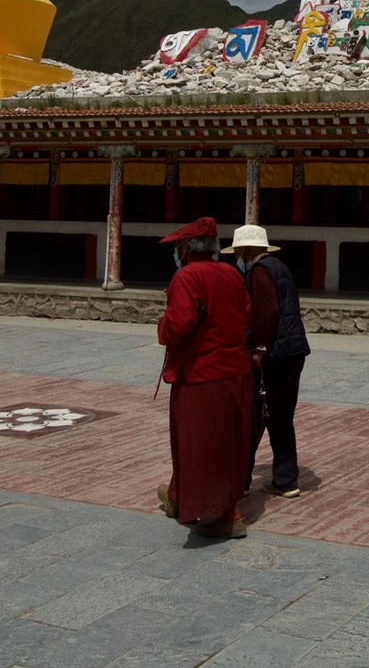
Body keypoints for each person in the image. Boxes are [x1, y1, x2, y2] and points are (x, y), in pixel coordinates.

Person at [155, 217, 254, 538]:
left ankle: (223, 514)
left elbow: (179, 324)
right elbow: (247, 316)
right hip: (235, 372)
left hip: (202, 374)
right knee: (225, 442)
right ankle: (178, 495)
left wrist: (162, 326)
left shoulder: (187, 276)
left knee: (202, 445)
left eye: (178, 247)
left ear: (186, 248)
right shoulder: (232, 274)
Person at [226, 223, 310, 498]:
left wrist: (258, 350)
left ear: (247, 250)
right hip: (293, 350)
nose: (237, 257)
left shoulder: (260, 271)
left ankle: (240, 481)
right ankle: (286, 480)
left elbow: (267, 312)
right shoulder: (279, 267)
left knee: (254, 416)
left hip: (275, 353)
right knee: (281, 416)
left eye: (238, 252)